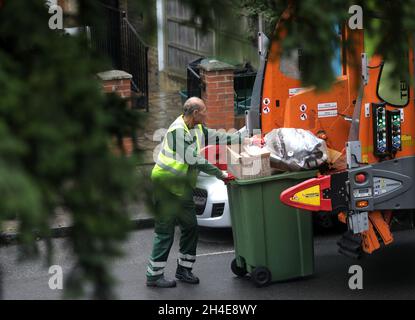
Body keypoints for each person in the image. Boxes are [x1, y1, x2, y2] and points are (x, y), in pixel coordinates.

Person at [146, 97, 242, 288]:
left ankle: (184, 270)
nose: (207, 113)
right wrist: (221, 174)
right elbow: (195, 160)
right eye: (204, 110)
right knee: (165, 233)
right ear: (196, 113)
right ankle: (154, 276)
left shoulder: (197, 128)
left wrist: (243, 138)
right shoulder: (177, 132)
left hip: (182, 189)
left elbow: (217, 136)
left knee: (190, 228)